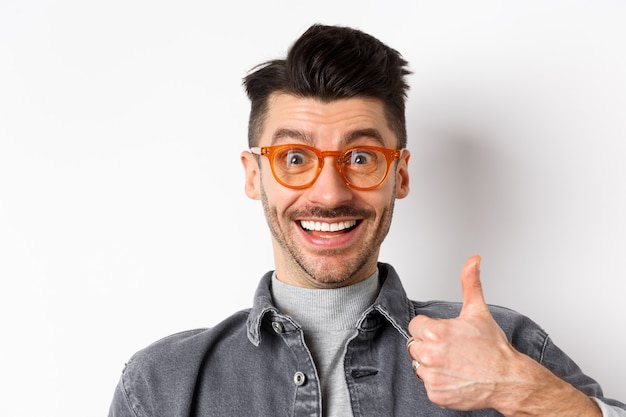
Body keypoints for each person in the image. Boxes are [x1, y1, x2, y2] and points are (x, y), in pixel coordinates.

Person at [108, 24, 626, 417]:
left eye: (360, 158)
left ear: (399, 175)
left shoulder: (505, 346)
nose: (329, 193)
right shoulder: (164, 386)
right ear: (253, 175)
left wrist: (522, 388)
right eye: (294, 158)